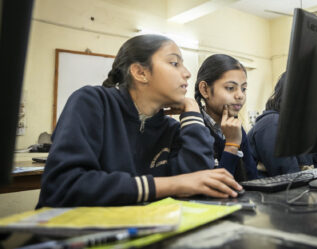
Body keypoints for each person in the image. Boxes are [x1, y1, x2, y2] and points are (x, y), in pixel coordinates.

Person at [37, 35, 242, 208]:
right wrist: (172, 184)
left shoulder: (171, 128)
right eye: (174, 63)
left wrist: (192, 113)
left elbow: (197, 186)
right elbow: (64, 187)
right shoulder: (92, 102)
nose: (187, 73)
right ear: (140, 72)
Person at [248, 73, 317, 177]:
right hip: (275, 192)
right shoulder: (272, 123)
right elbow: (290, 176)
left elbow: (310, 158)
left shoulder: (295, 125)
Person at [194, 54, 258, 181]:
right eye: (230, 88)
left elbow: (253, 179)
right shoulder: (194, 131)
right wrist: (232, 144)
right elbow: (213, 190)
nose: (240, 95)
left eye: (243, 89)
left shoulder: (237, 128)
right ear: (205, 90)